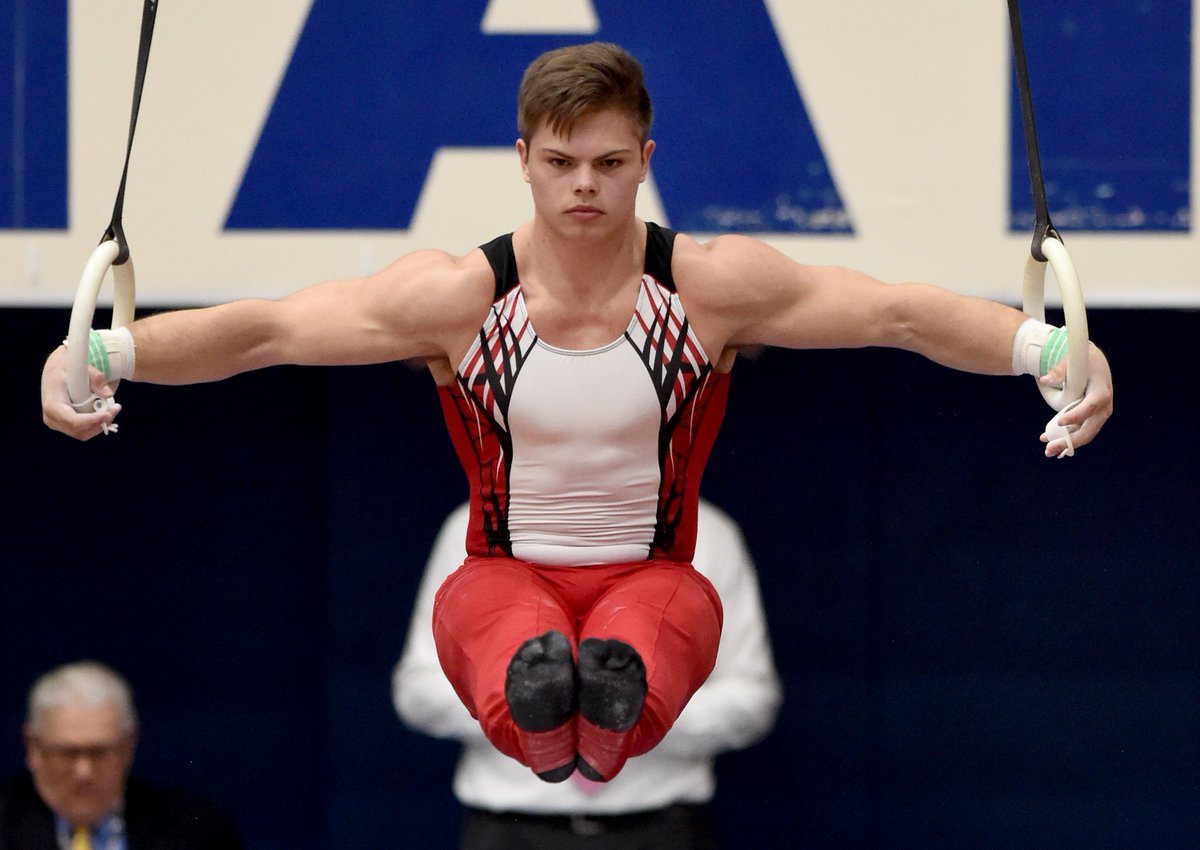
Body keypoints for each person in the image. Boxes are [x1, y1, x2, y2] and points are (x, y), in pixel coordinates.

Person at [41, 42, 1114, 785]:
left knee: (623, 663)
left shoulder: (711, 286)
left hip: (658, 578)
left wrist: (1056, 346)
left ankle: (595, 730)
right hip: (502, 576)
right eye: (558, 163)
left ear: (646, 161)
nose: (583, 187)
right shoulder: (458, 298)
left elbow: (895, 315)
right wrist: (98, 350)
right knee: (529, 657)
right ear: (522, 160)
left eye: (608, 163)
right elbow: (266, 330)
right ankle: (558, 726)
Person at [394, 499, 781, 848]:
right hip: (509, 833)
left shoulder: (708, 533)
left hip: (661, 832)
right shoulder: (476, 529)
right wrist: (534, 709)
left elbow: (752, 700)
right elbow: (418, 692)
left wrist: (625, 711)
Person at [0, 661, 244, 850]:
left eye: (100, 752)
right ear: (34, 748)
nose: (84, 771)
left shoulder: (196, 830)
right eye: (68, 753)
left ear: (128, 746)